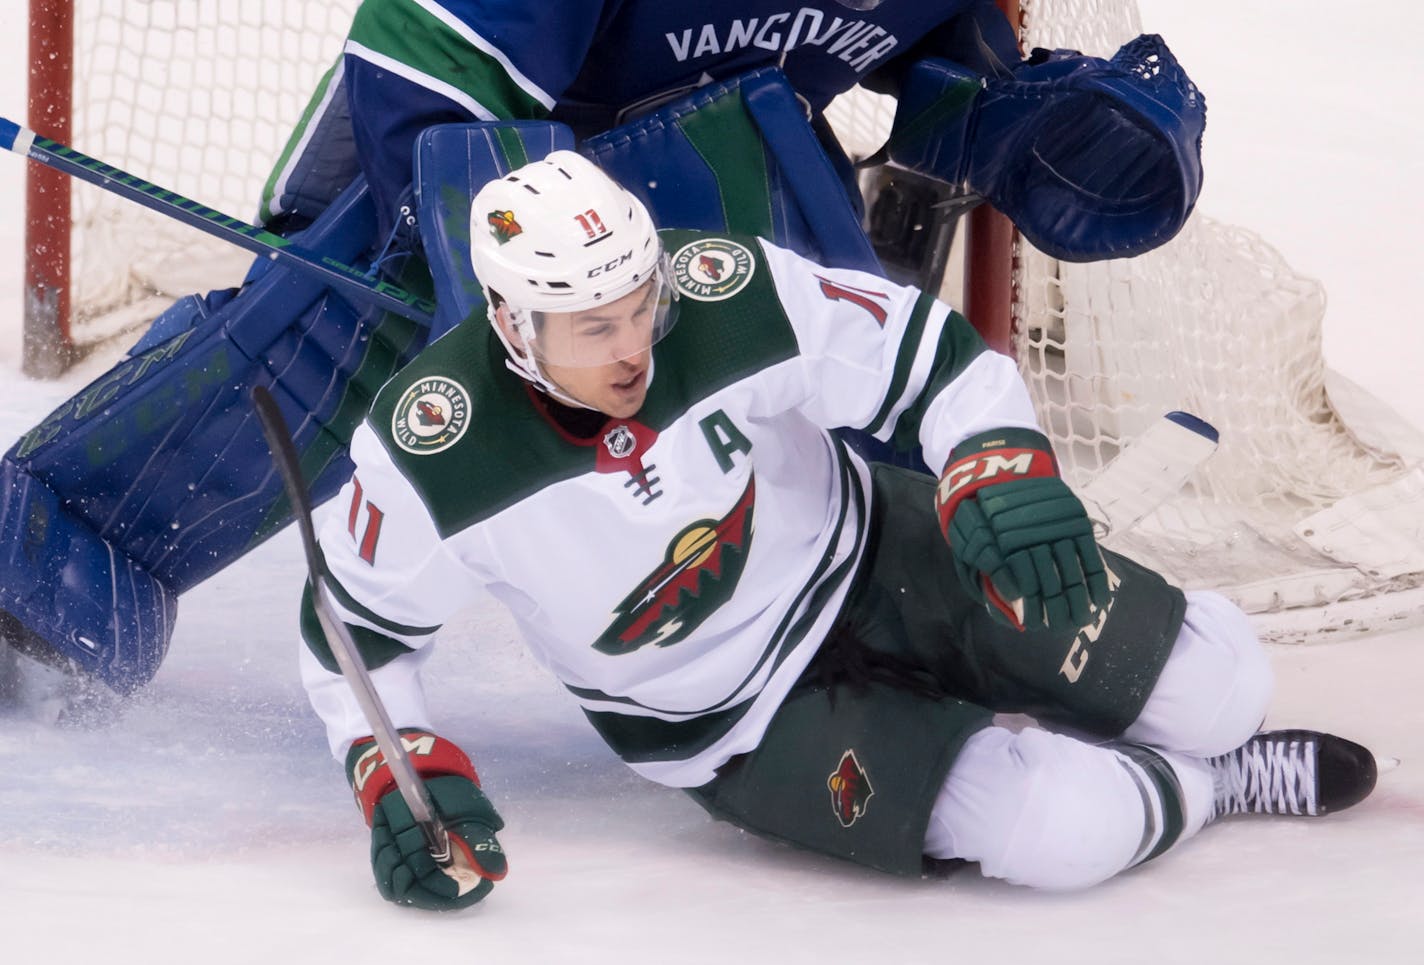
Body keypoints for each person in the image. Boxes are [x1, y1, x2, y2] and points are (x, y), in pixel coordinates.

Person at [0, 0, 1203, 698]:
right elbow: (426, 78)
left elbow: (942, 87)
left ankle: (907, 605)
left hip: (704, 169)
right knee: (371, 358)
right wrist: (516, 303)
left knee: (811, 315)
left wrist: (1025, 122)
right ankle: (54, 555)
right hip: (458, 163)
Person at [302, 152, 1378, 910]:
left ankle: (1152, 722)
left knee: (1220, 681)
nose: (634, 344)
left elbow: (922, 356)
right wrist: (400, 769)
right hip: (737, 719)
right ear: (509, 322)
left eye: (638, 306)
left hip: (874, 556)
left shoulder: (714, 288)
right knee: (1060, 827)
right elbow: (350, 631)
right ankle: (1215, 787)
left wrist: (993, 462)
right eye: (594, 327)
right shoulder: (429, 453)